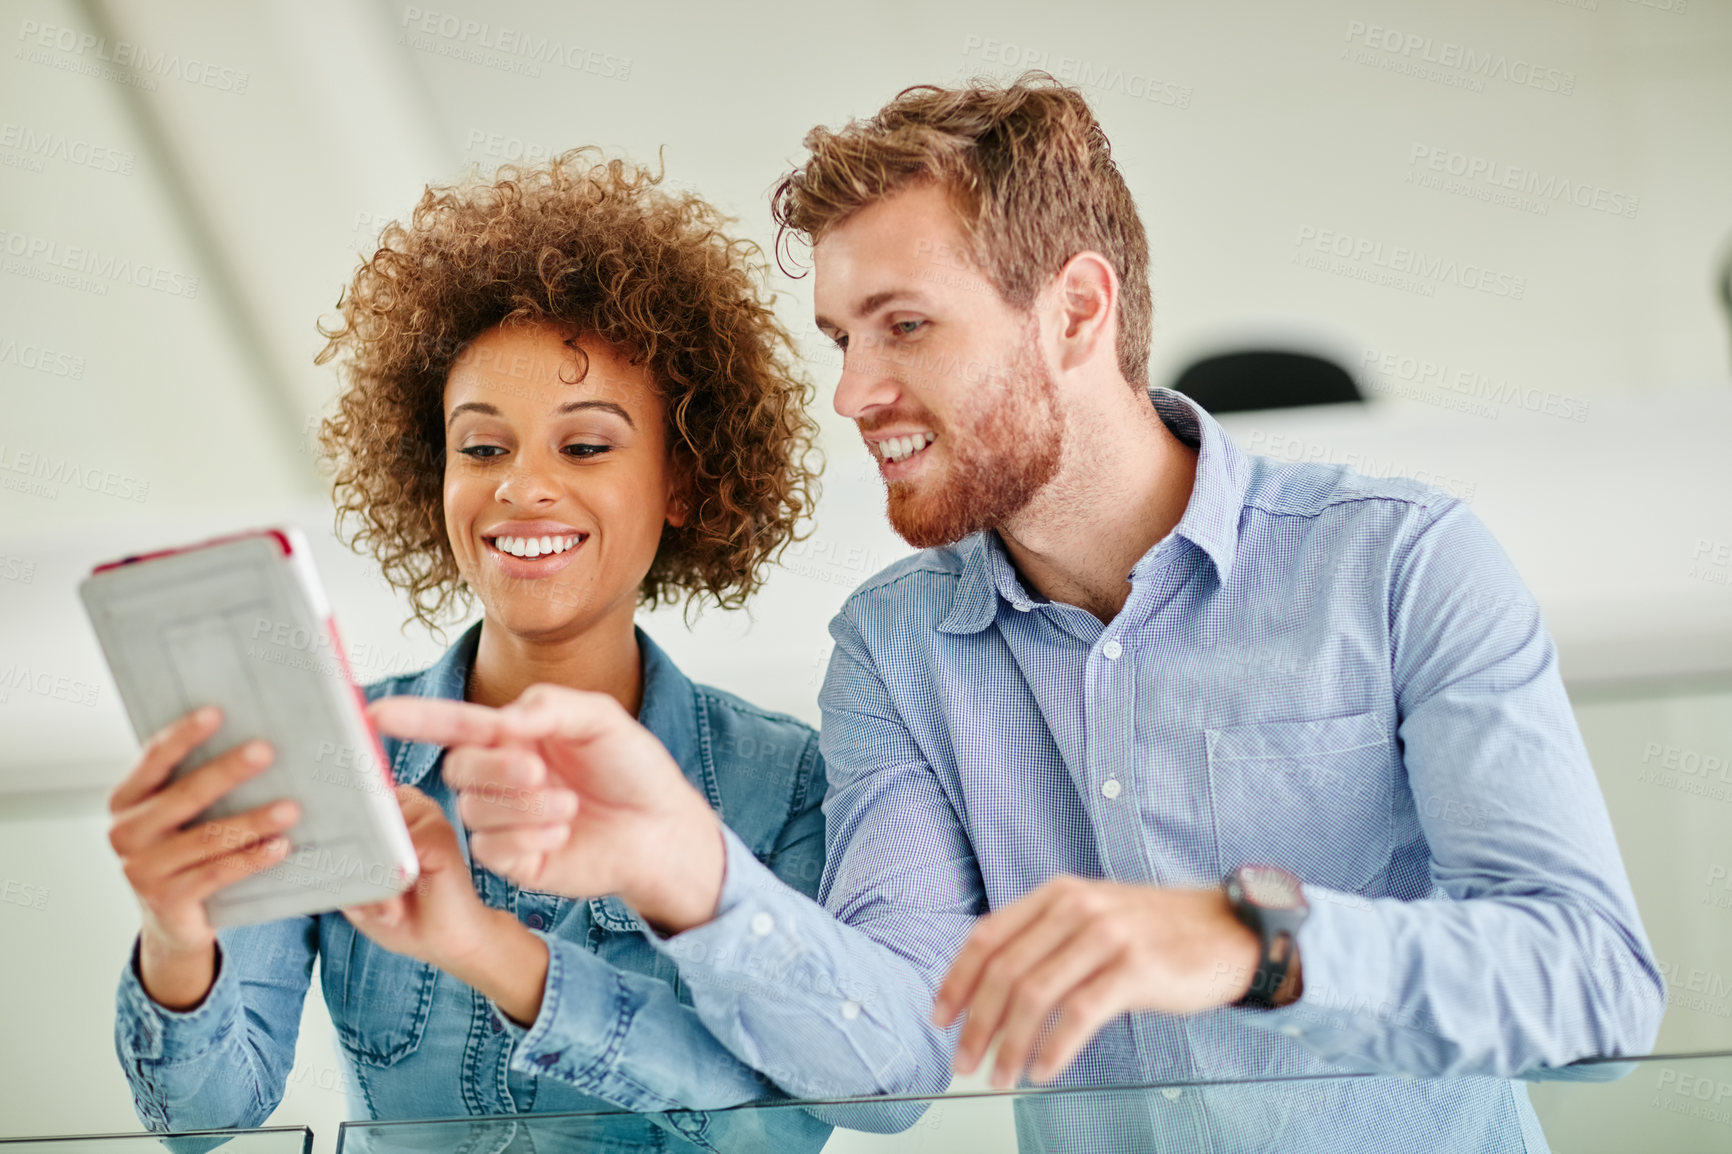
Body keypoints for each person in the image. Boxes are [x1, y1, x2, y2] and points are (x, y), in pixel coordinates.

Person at [376, 77, 1666, 1151]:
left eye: (904, 327)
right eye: (839, 338)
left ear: (1076, 310)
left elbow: (1597, 993)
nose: (854, 392)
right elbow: (886, 1065)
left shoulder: (1397, 565)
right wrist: (688, 873)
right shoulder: (895, 653)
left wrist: (1249, 940)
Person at [106, 149, 833, 1152]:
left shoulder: (781, 781)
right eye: (482, 447)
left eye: (584, 446)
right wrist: (175, 930)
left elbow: (778, 1124)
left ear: (684, 480)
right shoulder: (331, 746)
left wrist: (490, 951)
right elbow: (207, 1113)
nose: (520, 487)